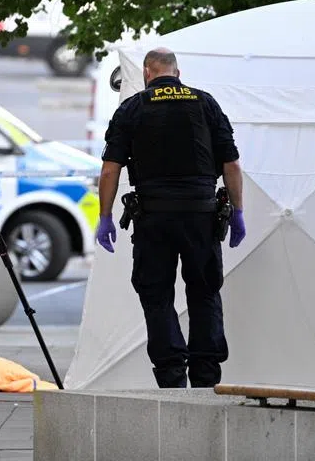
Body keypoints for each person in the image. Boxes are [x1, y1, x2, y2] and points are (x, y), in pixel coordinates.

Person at [94, 48, 246, 389]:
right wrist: (237, 212)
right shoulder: (205, 104)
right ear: (177, 72)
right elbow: (232, 165)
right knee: (204, 292)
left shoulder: (132, 108)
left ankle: (171, 374)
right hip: (201, 215)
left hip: (154, 218)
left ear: (148, 73)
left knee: (157, 294)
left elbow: (110, 170)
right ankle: (207, 376)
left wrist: (105, 216)